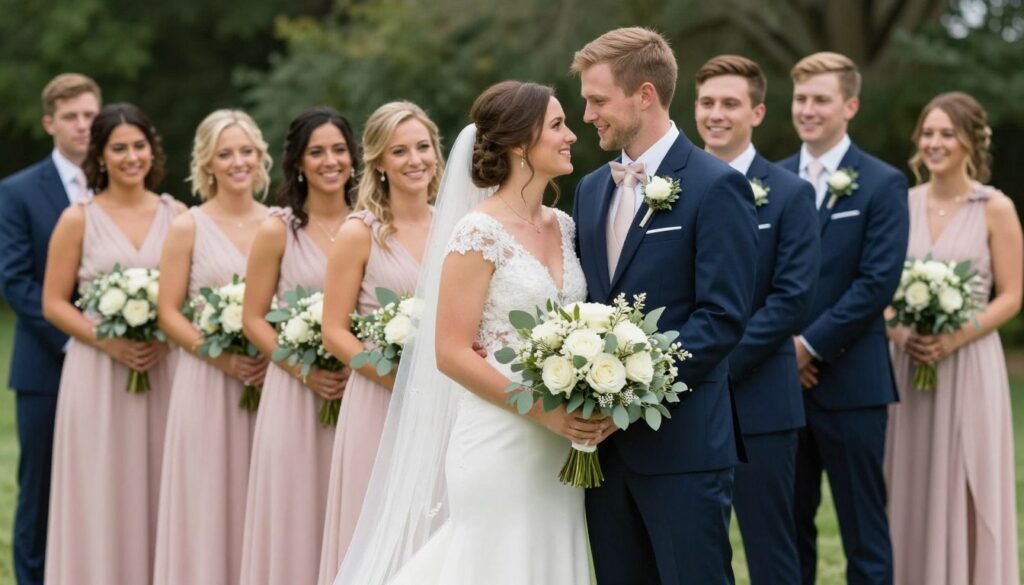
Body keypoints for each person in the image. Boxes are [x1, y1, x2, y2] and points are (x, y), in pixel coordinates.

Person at [335, 80, 607, 585]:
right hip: (500, 436)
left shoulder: (566, 226)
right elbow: (451, 353)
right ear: (520, 144)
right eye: (557, 125)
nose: (571, 135)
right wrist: (545, 412)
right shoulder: (476, 232)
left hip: (561, 446)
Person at [571, 28, 758, 585]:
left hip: (683, 447)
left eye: (598, 100)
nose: (587, 115)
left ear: (644, 95)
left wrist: (626, 392)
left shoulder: (716, 186)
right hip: (603, 457)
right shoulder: (589, 190)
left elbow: (720, 318)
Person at [778, 52, 909, 585]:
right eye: (801, 99)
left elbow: (876, 283)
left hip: (853, 384)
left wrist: (806, 348)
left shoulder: (883, 183)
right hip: (782, 387)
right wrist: (781, 348)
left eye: (821, 100)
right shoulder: (775, 179)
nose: (808, 110)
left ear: (849, 105)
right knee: (790, 527)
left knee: (863, 531)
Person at [41, 103, 185, 584]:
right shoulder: (78, 218)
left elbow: (190, 297)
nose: (131, 157)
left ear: (152, 150)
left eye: (138, 146)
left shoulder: (178, 215)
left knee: (165, 481)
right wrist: (110, 342)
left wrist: (166, 336)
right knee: (103, 486)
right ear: (100, 156)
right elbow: (54, 303)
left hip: (166, 368)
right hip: (99, 372)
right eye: (118, 148)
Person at [885, 92, 1021, 585]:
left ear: (970, 141)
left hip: (968, 364)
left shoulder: (995, 208)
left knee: (970, 479)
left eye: (947, 133)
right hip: (907, 362)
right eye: (928, 133)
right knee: (910, 481)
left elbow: (1012, 295)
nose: (935, 143)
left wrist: (954, 338)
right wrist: (900, 332)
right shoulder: (902, 203)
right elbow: (880, 289)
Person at [694, 54, 819, 585]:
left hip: (761, 398)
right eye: (706, 103)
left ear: (758, 112)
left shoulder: (791, 193)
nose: (715, 114)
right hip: (689, 402)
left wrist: (717, 360)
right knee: (697, 547)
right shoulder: (672, 186)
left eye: (730, 103)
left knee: (772, 550)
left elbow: (791, 299)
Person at [317, 101, 442, 584]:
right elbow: (334, 330)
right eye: (400, 151)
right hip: (378, 400)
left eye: (423, 147)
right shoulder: (359, 233)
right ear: (380, 163)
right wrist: (395, 378)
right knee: (374, 532)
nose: (415, 160)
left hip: (441, 402)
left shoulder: (457, 226)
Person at [152, 109, 272, 585]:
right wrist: (222, 357)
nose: (238, 162)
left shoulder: (278, 223)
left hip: (268, 382)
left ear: (261, 157)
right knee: (208, 500)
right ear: (207, 164)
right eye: (226, 154)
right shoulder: (189, 226)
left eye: (246, 151)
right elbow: (167, 312)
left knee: (260, 498)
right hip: (206, 381)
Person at [238, 106, 355, 585]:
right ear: (299, 163)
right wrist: (304, 368)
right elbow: (253, 318)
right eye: (317, 152)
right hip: (294, 391)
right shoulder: (278, 229)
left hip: (357, 391)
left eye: (339, 150)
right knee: (295, 513)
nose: (330, 161)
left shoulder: (371, 224)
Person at [0, 73, 100, 585]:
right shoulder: (17, 192)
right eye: (71, 117)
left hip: (117, 366)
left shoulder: (120, 182)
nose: (83, 126)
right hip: (47, 366)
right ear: (49, 124)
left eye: (89, 115)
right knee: (39, 489)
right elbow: (15, 283)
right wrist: (77, 338)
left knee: (103, 482)